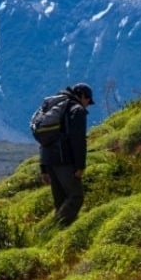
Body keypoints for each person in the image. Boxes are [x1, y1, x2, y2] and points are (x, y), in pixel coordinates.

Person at [38, 82, 93, 226]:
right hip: (65, 161)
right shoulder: (77, 110)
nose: (87, 104)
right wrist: (80, 166)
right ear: (82, 96)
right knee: (76, 196)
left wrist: (43, 167)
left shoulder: (56, 110)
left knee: (61, 201)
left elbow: (44, 140)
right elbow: (78, 140)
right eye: (88, 100)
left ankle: (57, 233)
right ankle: (54, 228)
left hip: (50, 161)